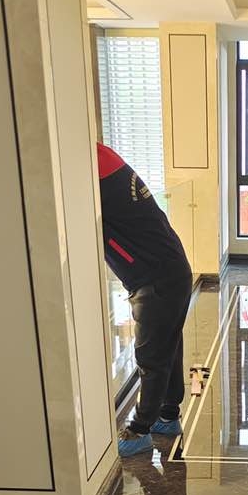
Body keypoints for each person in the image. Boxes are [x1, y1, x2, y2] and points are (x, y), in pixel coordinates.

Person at [97, 142, 193, 457]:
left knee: (151, 357)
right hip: (170, 270)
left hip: (154, 279)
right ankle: (168, 415)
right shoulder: (106, 164)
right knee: (168, 347)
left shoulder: (90, 173)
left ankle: (140, 430)